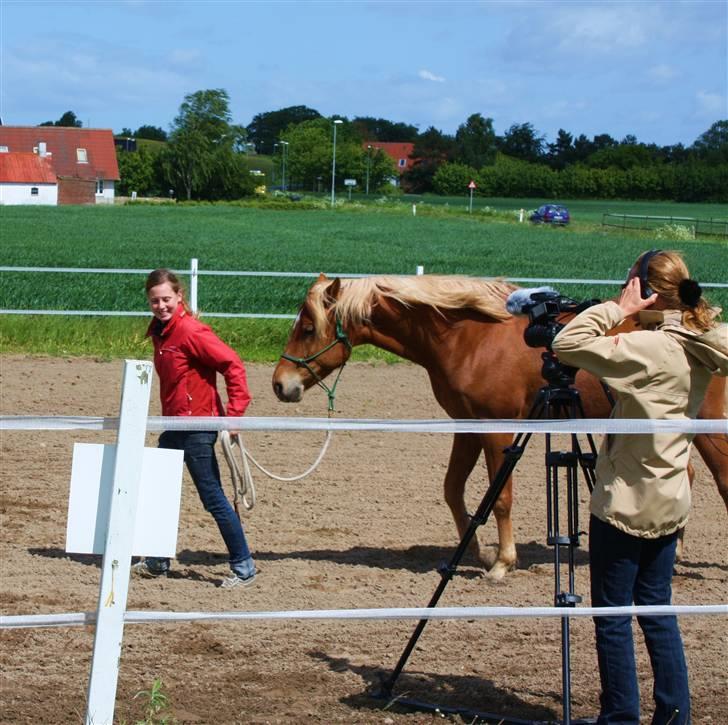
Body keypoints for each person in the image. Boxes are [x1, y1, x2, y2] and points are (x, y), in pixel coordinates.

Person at [551, 249, 727, 724]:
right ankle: (674, 715)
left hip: (625, 502)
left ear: (644, 289)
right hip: (671, 498)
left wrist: (618, 309)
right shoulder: (703, 343)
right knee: (657, 609)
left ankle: (620, 717)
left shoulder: (648, 350)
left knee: (611, 618)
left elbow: (568, 344)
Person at [133, 268, 257, 589]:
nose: (160, 306)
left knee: (212, 497)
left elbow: (232, 364)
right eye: (154, 301)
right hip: (174, 425)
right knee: (160, 492)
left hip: (197, 427)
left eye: (166, 299)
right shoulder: (161, 333)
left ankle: (244, 566)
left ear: (179, 297)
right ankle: (159, 559)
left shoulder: (190, 331)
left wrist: (234, 415)